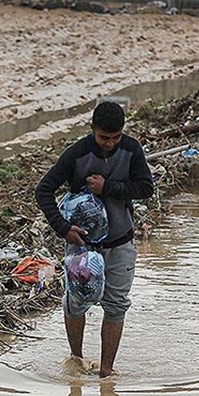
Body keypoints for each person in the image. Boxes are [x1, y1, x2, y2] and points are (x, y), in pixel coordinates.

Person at [35, 101, 154, 378]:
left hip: (121, 243)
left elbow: (146, 187)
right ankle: (76, 359)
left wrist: (108, 187)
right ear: (92, 131)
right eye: (104, 138)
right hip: (82, 247)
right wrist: (63, 228)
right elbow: (44, 191)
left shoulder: (131, 149)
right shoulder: (76, 154)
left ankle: (106, 370)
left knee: (116, 305)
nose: (111, 144)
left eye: (116, 138)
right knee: (76, 302)